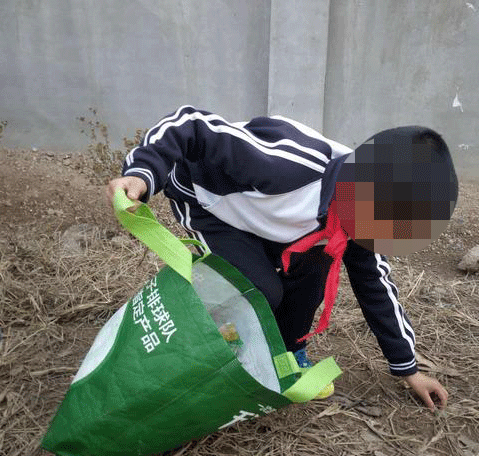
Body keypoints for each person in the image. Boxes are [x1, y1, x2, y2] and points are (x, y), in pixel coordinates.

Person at [106, 106, 456, 411]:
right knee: (260, 291)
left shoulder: (362, 215)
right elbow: (190, 124)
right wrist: (142, 172)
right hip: (213, 206)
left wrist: (408, 369)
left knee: (318, 264)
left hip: (273, 220)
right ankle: (214, 348)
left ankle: (284, 354)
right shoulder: (287, 166)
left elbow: (374, 284)